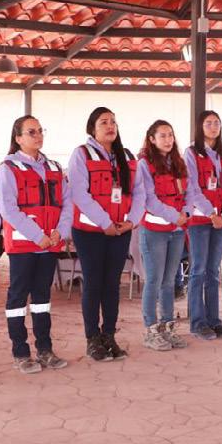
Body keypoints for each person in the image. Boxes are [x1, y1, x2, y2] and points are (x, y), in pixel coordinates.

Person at [0, 115, 72, 374]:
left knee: (42, 299)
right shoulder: (8, 168)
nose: (38, 135)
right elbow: (8, 209)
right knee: (18, 297)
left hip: (50, 244)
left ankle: (45, 349)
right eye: (31, 132)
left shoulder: (54, 167)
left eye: (40, 131)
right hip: (24, 245)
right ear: (18, 138)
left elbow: (67, 203)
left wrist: (60, 232)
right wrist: (37, 235)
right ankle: (20, 352)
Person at [67, 107, 143, 362]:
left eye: (113, 122)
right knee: (93, 283)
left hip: (120, 231)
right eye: (104, 122)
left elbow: (139, 193)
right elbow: (79, 194)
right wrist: (105, 223)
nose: (110, 126)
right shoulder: (81, 154)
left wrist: (131, 222)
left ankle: (109, 335)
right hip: (90, 232)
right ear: (92, 129)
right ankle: (92, 339)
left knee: (112, 285)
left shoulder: (127, 156)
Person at [184, 110, 222, 340]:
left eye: (217, 122)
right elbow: (192, 188)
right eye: (208, 123)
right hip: (200, 220)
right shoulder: (191, 153)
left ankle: (214, 320)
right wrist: (211, 213)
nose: (213, 126)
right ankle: (198, 323)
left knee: (213, 272)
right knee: (198, 270)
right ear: (200, 127)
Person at [138, 120, 191, 351]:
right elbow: (149, 199)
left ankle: (168, 327)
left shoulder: (178, 163)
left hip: (177, 231)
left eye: (170, 135)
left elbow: (189, 192)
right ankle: (151, 330)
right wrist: (174, 215)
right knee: (154, 280)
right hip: (154, 232)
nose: (168, 140)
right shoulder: (144, 164)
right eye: (162, 135)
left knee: (169, 281)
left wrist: (186, 213)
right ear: (152, 139)